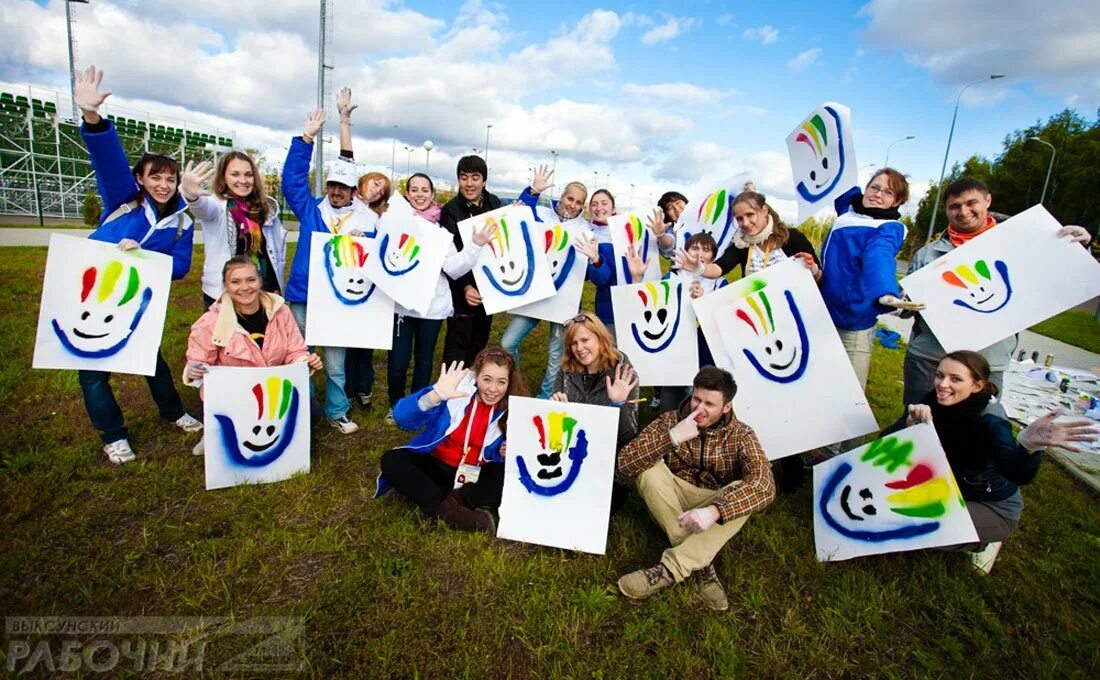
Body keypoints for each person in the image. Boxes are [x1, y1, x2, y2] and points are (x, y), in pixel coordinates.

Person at [72, 65, 200, 464]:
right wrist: (93, 118)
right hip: (94, 292)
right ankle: (113, 435)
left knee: (148, 356)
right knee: (93, 370)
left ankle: (173, 412)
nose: (163, 184)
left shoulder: (181, 220)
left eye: (169, 178)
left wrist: (145, 256)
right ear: (140, 180)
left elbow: (180, 268)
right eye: (155, 177)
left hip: (139, 299)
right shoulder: (123, 202)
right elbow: (106, 159)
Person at [883, 351, 1098, 573]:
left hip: (992, 505)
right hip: (950, 486)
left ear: (977, 385)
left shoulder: (992, 419)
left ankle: (982, 542)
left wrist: (1028, 447)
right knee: (883, 505)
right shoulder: (931, 400)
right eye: (939, 375)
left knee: (908, 527)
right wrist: (909, 423)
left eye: (955, 379)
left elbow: (1017, 473)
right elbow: (883, 443)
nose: (943, 384)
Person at [902, 178, 1092, 406]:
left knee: (981, 429)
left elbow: (1058, 276)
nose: (963, 212)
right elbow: (905, 311)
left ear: (987, 200)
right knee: (918, 424)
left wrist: (1077, 246)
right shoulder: (927, 255)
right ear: (946, 210)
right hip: (930, 359)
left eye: (971, 203)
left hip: (988, 361)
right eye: (955, 206)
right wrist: (900, 301)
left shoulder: (1022, 245)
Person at [616, 367, 775, 612]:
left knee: (743, 492)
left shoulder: (742, 434)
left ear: (726, 407)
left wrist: (714, 511)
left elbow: (765, 485)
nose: (699, 409)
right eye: (696, 399)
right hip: (673, 495)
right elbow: (625, 463)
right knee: (648, 470)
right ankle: (701, 560)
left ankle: (671, 569)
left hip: (712, 500)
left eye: (709, 404)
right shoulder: (669, 421)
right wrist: (671, 438)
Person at [281, 108, 377, 435]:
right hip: (304, 296)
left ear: (353, 191)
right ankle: (304, 409)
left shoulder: (366, 220)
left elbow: (380, 253)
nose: (336, 192)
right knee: (300, 356)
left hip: (339, 303)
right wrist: (305, 140)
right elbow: (291, 182)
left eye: (343, 187)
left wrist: (368, 240)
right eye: (332, 185)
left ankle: (338, 410)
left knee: (335, 364)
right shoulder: (311, 209)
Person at [383, 173, 499, 423]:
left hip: (432, 309)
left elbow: (453, 267)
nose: (419, 194)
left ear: (432, 195)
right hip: (402, 307)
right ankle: (395, 403)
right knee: (398, 361)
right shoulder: (393, 223)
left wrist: (475, 245)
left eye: (425, 190)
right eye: (414, 189)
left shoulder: (439, 231)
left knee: (424, 360)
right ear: (407, 195)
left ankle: (418, 405)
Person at [377, 348, 529, 533]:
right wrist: (435, 396)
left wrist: (504, 453)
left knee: (508, 474)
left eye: (501, 382)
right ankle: (457, 515)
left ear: (509, 383)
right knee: (392, 460)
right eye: (486, 379)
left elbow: (535, 442)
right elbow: (402, 417)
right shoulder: (455, 392)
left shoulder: (514, 409)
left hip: (473, 476)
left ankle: (441, 504)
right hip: (438, 465)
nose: (492, 389)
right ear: (476, 377)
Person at [183, 257, 324, 455]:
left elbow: (295, 350)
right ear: (225, 285)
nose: (244, 288)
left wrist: (304, 362)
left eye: (251, 280)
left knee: (313, 411)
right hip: (235, 398)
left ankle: (285, 442)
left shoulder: (281, 312)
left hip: (272, 394)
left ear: (260, 281)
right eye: (235, 282)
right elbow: (197, 360)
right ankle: (213, 433)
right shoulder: (210, 322)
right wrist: (194, 370)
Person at [817, 169, 920, 390]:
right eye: (875, 187)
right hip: (821, 313)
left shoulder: (890, 227)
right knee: (818, 381)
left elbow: (878, 255)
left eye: (888, 192)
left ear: (897, 201)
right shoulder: (849, 210)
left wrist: (886, 291)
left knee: (849, 390)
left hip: (854, 320)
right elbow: (834, 177)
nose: (878, 194)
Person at [502, 167, 592, 398]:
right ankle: (514, 384)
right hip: (533, 293)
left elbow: (585, 265)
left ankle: (544, 398)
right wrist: (532, 191)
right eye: (569, 198)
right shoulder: (542, 213)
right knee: (507, 343)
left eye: (578, 202)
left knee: (556, 354)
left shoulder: (584, 228)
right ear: (562, 196)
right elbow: (518, 216)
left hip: (562, 298)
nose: (572, 205)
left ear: (583, 207)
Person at [335, 88, 393, 409]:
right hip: (344, 279)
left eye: (382, 187)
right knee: (344, 338)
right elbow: (346, 160)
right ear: (361, 183)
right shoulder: (348, 203)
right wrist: (345, 121)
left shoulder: (382, 218)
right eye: (373, 182)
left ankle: (364, 387)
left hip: (370, 284)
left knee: (364, 343)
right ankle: (343, 388)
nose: (377, 188)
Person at [550, 312, 640, 512]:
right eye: (574, 343)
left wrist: (618, 404)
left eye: (584, 340)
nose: (579, 348)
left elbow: (629, 437)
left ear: (600, 338)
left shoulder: (624, 374)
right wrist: (555, 410)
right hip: (569, 454)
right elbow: (554, 430)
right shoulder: (566, 371)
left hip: (606, 462)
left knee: (598, 505)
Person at [179, 153, 287, 308]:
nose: (243, 180)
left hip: (262, 291)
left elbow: (274, 253)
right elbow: (203, 209)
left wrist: (276, 286)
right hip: (224, 294)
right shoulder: (216, 205)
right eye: (235, 174)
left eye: (248, 175)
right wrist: (191, 196)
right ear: (223, 177)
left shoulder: (265, 210)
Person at [439, 155, 504, 366]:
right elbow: (451, 258)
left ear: (484, 180)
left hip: (488, 286)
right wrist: (466, 286)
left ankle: (473, 388)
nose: (469, 183)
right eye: (464, 177)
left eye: (475, 177)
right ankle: (451, 388)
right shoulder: (450, 210)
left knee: (480, 341)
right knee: (458, 343)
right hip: (462, 289)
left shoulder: (495, 203)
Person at [655, 233, 728, 414]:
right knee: (669, 407)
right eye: (694, 248)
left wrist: (702, 301)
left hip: (706, 351)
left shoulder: (720, 283)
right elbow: (658, 312)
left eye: (706, 250)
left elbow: (723, 322)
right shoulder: (670, 278)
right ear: (685, 250)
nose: (699, 254)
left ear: (713, 256)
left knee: (702, 404)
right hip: (676, 350)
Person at [673, 190, 818, 279]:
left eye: (750, 215)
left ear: (764, 210)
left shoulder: (792, 237)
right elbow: (719, 268)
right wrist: (700, 269)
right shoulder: (742, 245)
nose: (746, 223)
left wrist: (813, 269)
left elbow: (820, 279)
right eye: (740, 219)